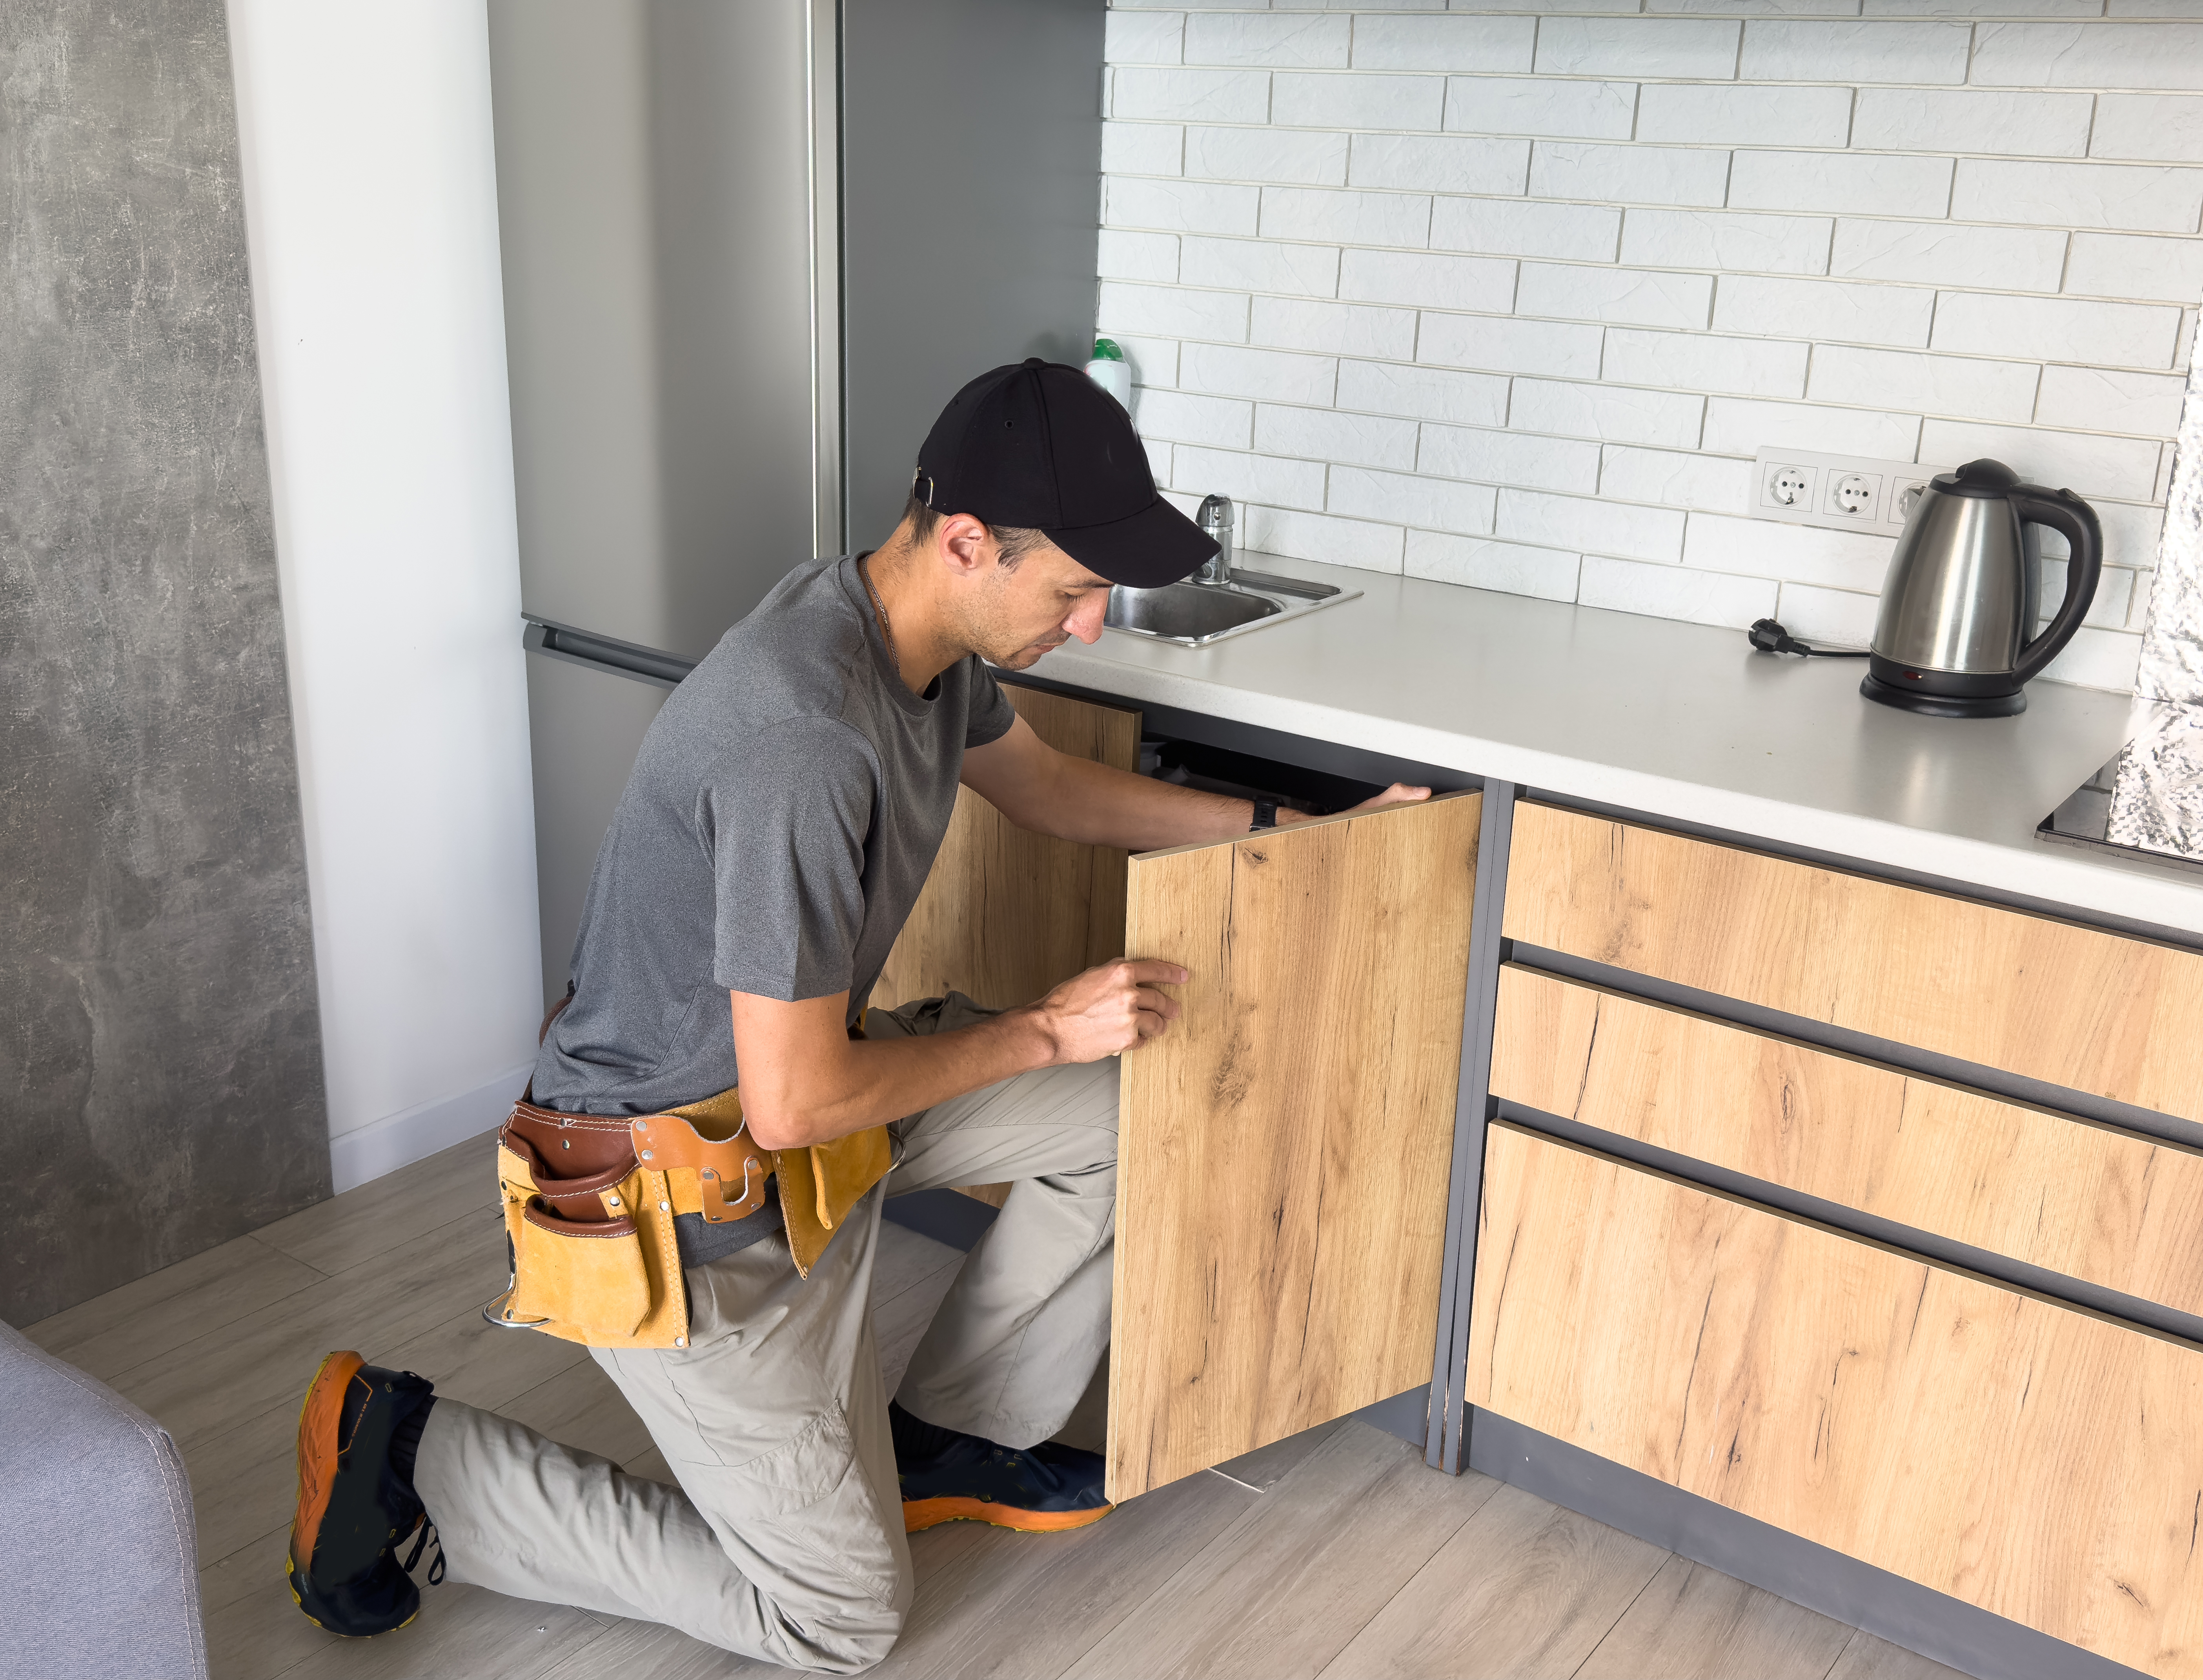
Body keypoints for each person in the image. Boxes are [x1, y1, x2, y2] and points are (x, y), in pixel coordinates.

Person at [282, 359, 1425, 1671]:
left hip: (799, 1111)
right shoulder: (806, 736)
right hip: (677, 1193)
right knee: (842, 1620)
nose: (1095, 624)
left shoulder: (904, 635)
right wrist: (1045, 1029)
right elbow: (793, 1100)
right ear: (965, 542)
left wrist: (1303, 831)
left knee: (1127, 1112)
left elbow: (1053, 791)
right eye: (1074, 590)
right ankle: (412, 1457)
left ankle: (951, 1430)